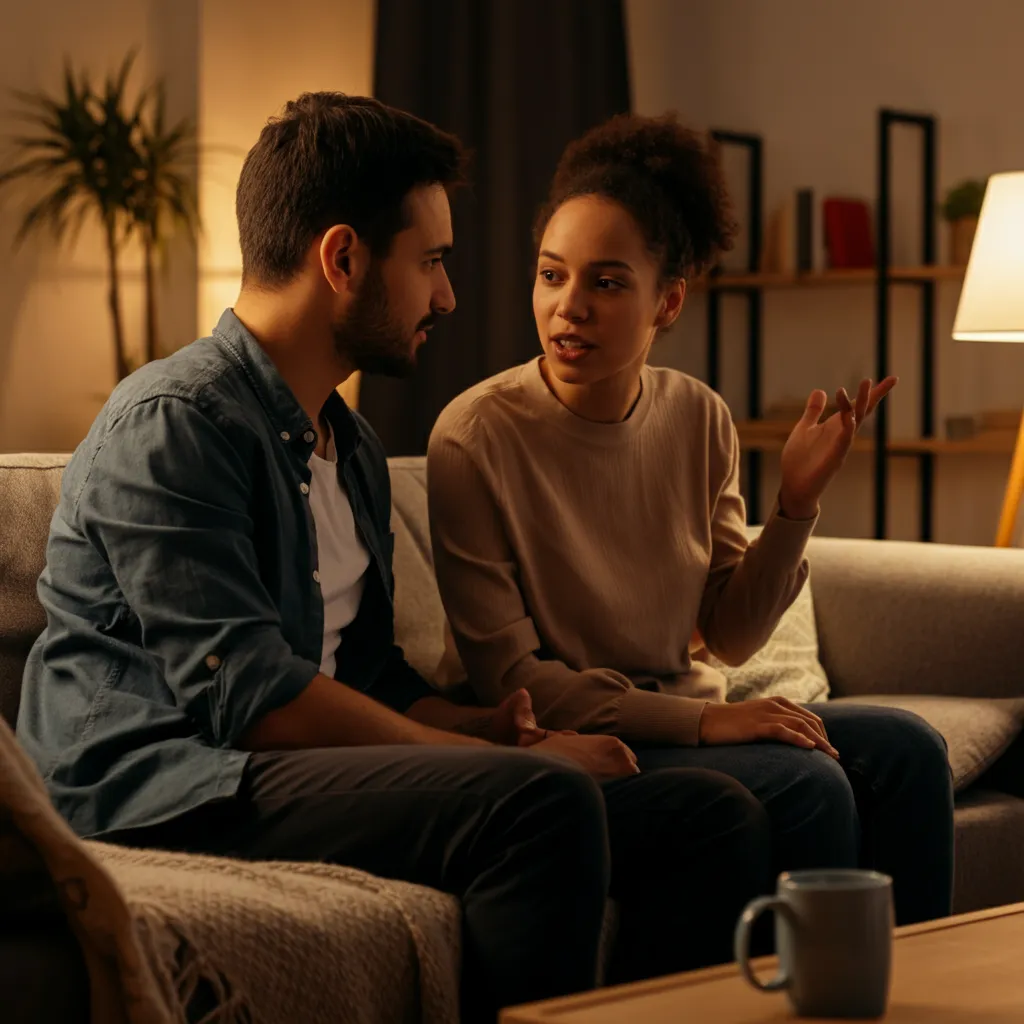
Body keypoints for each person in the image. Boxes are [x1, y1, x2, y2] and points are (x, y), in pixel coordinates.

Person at [17, 94, 769, 1020]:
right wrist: (485, 761)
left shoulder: (350, 445)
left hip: (275, 761)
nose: (448, 297)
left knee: (708, 816)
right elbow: (251, 697)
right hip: (169, 783)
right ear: (343, 259)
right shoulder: (175, 425)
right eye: (432, 263)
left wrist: (497, 728)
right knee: (536, 805)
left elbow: (367, 669)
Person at [427, 112, 956, 934]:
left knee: (908, 751)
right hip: (574, 735)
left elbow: (731, 636)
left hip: (684, 716)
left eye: (606, 282)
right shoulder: (474, 436)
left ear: (667, 299)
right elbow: (513, 682)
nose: (569, 308)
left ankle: (912, 997)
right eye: (551, 275)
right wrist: (709, 721)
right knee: (812, 782)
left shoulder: (699, 417)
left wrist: (797, 506)